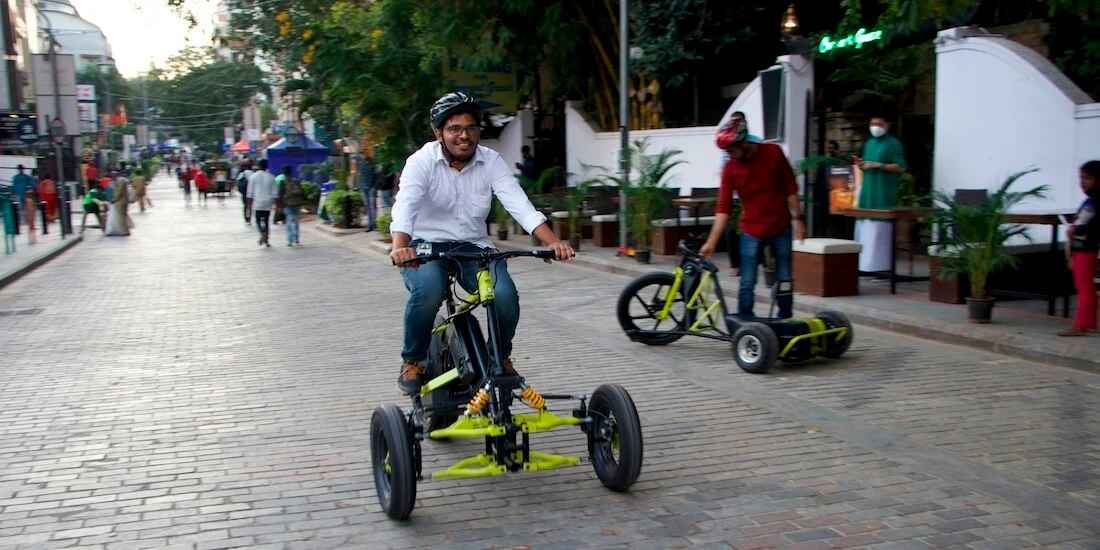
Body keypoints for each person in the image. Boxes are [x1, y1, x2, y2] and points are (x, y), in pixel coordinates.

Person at [388, 91, 575, 394]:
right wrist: (400, 247)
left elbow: (520, 205)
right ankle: (414, 360)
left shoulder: (491, 162)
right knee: (429, 289)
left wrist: (553, 242)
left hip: (473, 247)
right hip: (424, 246)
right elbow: (406, 206)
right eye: (455, 129)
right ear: (439, 133)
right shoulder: (421, 161)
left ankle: (498, 356)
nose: (464, 136)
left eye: (471, 128)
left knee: (504, 294)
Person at [699, 117, 805, 319]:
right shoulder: (730, 168)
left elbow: (790, 187)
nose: (729, 155)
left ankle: (785, 319)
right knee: (747, 281)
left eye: (731, 150)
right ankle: (745, 321)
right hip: (751, 231)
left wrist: (799, 219)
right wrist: (711, 243)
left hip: (780, 226)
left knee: (784, 278)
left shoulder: (773, 153)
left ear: (743, 143)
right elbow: (724, 207)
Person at [852, 115, 907, 275]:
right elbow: (868, 163)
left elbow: (901, 167)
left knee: (879, 232)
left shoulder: (893, 144)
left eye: (879, 123)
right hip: (868, 192)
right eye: (873, 123)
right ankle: (863, 267)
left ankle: (881, 269)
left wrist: (879, 165)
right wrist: (863, 165)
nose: (875, 126)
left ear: (888, 125)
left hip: (883, 194)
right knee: (865, 230)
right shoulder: (869, 143)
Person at [1059, 161, 1100, 337]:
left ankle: (1080, 325)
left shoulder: (1097, 201)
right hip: (1081, 247)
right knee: (1086, 286)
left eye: (1087, 178)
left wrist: (1077, 229)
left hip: (1086, 247)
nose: (1082, 182)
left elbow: (1096, 227)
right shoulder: (1090, 200)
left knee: (1083, 286)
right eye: (1081, 178)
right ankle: (1089, 322)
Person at [247, 159, 277, 247]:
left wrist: (249, 204)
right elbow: (275, 193)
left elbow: (250, 192)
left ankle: (262, 234)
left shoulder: (253, 176)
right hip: (268, 202)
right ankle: (266, 239)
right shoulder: (271, 177)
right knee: (266, 221)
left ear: (258, 166)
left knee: (258, 220)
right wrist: (276, 204)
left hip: (258, 202)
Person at [277, 165, 305, 246]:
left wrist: (279, 206)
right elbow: (302, 192)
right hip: (297, 204)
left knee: (289, 221)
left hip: (288, 204)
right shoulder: (296, 181)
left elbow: (280, 195)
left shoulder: (283, 182)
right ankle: (296, 238)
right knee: (296, 221)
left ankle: (289, 240)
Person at [358, 153, 378, 231]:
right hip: (369, 187)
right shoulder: (371, 166)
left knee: (370, 206)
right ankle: (372, 223)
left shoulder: (363, 166)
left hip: (367, 187)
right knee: (370, 206)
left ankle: (372, 223)